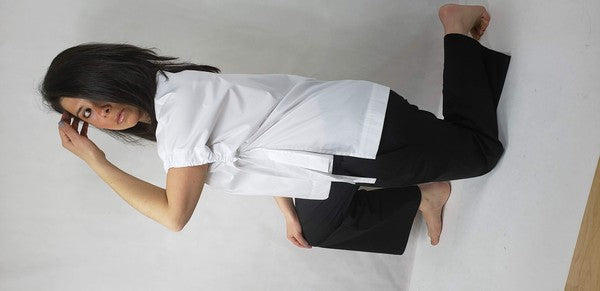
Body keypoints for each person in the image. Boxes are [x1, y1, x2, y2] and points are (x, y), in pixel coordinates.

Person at [40, 4, 510, 256]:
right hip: (325, 156)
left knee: (481, 153)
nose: (100, 114)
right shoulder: (171, 117)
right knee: (315, 227)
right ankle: (426, 193)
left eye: (94, 98)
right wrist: (288, 209)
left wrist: (95, 161)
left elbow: (173, 216)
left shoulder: (176, 105)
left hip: (362, 134)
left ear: (109, 74)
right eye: (85, 116)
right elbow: (257, 148)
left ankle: (455, 26)